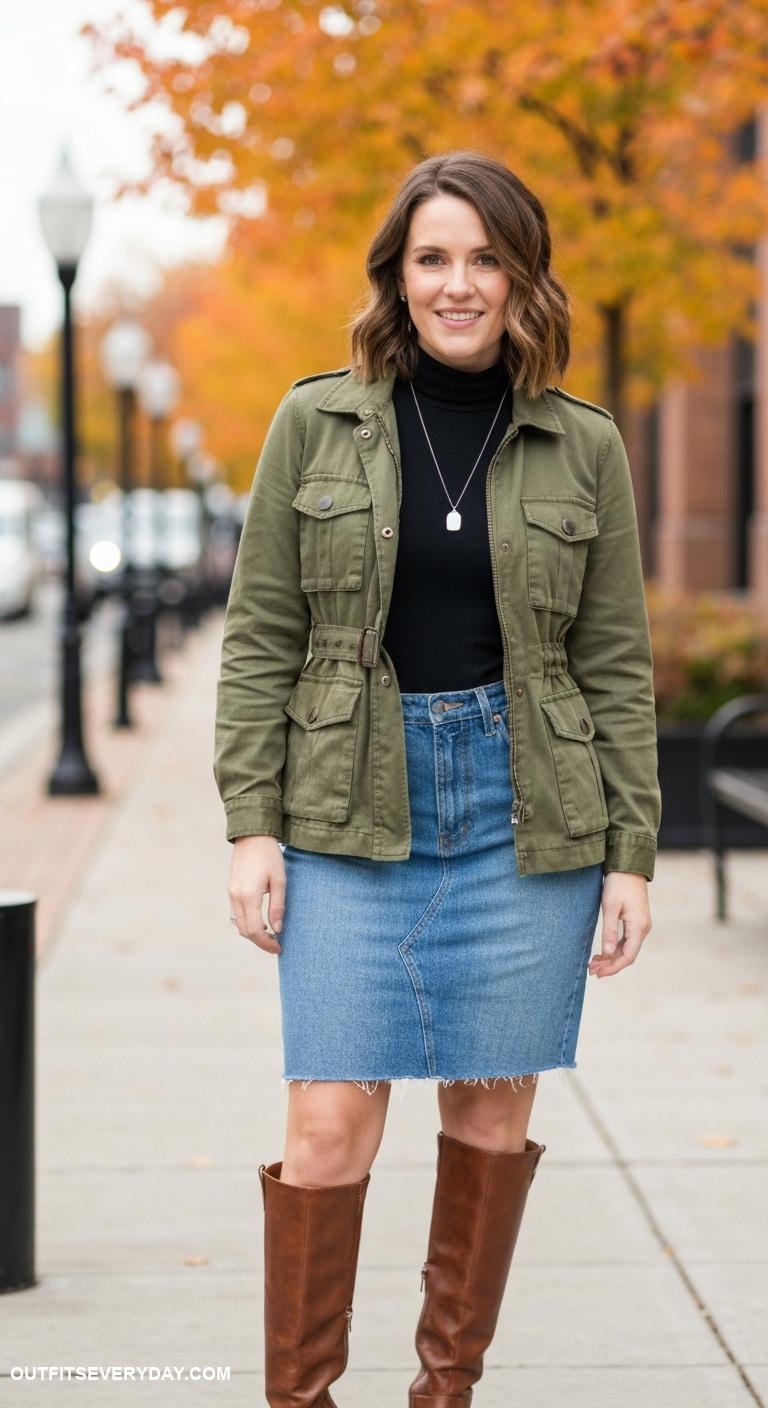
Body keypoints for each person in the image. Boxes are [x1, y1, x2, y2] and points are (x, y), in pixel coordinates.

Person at [213, 148, 661, 1407]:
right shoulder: (316, 422)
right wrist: (251, 826)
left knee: (488, 1124)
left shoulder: (584, 444)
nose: (458, 284)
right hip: (348, 809)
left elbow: (614, 663)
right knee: (326, 1127)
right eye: (432, 259)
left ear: (522, 279)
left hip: (527, 813)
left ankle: (444, 1391)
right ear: (397, 278)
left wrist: (630, 855)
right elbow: (261, 637)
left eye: (484, 259)